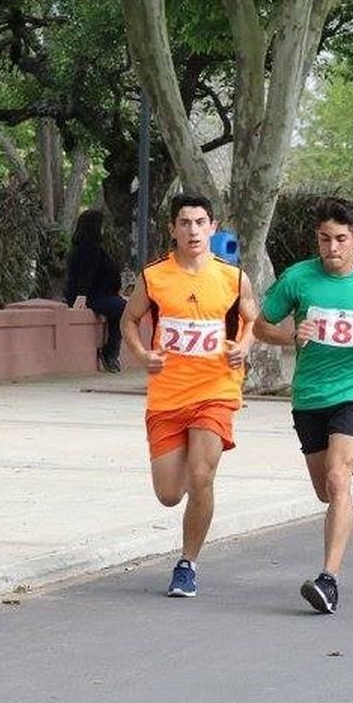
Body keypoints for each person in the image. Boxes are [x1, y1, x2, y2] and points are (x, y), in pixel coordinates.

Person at [254, 197, 353, 614]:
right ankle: (351, 453)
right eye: (325, 239)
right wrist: (290, 336)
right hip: (309, 396)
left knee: (338, 481)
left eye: (341, 239)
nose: (332, 248)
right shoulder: (297, 279)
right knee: (325, 491)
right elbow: (260, 325)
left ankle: (329, 579)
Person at [121, 194, 260, 598]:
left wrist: (244, 346)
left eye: (201, 222)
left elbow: (251, 317)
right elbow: (129, 319)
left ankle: (187, 563)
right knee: (168, 494)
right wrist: (142, 353)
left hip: (216, 390)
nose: (193, 230)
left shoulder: (233, 278)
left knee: (202, 476)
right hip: (167, 396)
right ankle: (187, 493)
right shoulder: (155, 277)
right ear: (173, 229)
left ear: (213, 228)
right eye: (185, 223)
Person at [64, 209, 126, 373]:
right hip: (91, 296)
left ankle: (111, 351)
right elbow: (85, 273)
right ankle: (111, 352)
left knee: (120, 306)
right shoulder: (89, 248)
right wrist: (81, 295)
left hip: (100, 294)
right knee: (122, 308)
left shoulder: (91, 247)